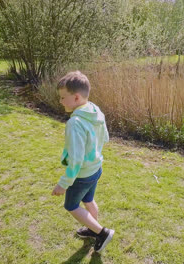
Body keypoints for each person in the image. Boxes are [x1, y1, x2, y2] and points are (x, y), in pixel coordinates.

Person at [51, 71, 114, 253]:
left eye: (63, 97)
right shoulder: (94, 109)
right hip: (96, 168)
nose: (61, 101)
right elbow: (105, 137)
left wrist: (63, 184)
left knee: (71, 206)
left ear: (76, 97)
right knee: (88, 199)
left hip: (83, 174)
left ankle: (102, 233)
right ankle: (92, 230)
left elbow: (76, 159)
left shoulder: (75, 123)